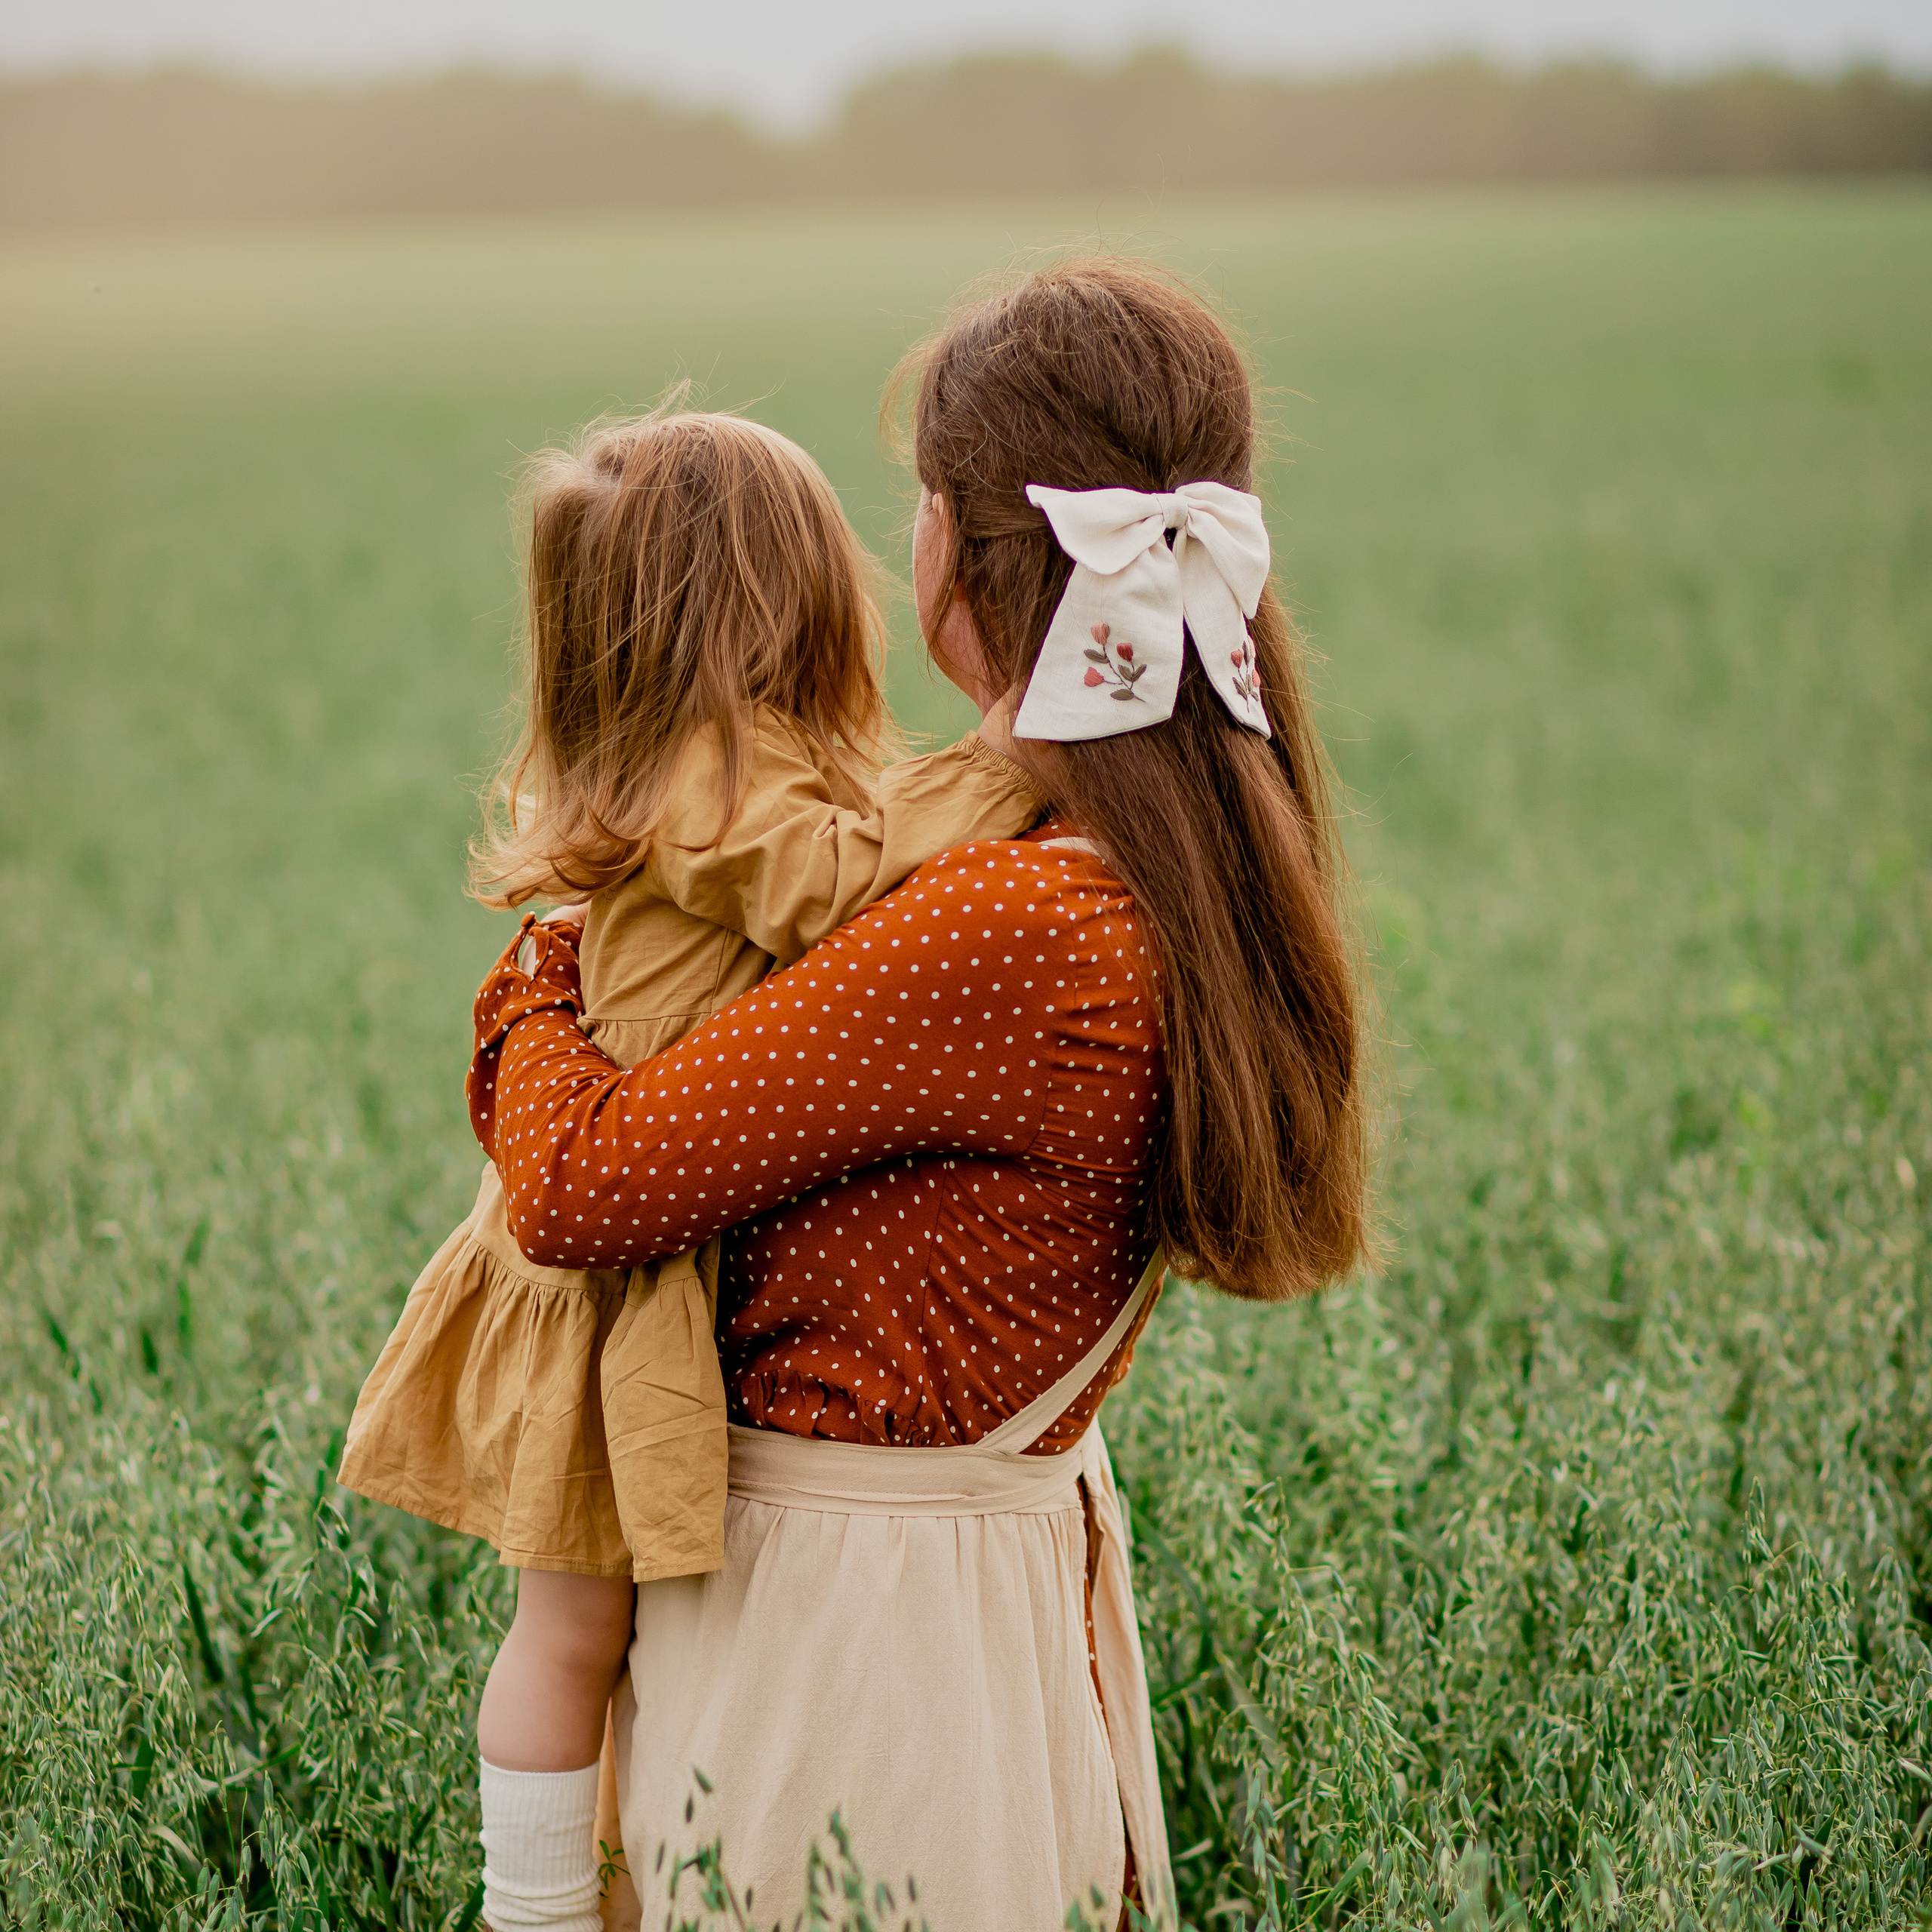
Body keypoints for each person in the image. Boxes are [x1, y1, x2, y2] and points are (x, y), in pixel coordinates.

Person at [465, 260, 1373, 1930]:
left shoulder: (1007, 915)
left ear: (962, 549)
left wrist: (543, 968)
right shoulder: (1130, 858)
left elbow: (578, 1183)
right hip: (968, 1618)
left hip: (842, 1668)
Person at [336, 408, 1043, 1932]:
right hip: (600, 1274)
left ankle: (603, 1872)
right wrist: (1008, 767)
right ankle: (530, 1905)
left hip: (624, 1235)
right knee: (575, 1618)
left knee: (604, 1621)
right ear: (769, 602)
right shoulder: (708, 770)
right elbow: (843, 895)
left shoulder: (708, 756)